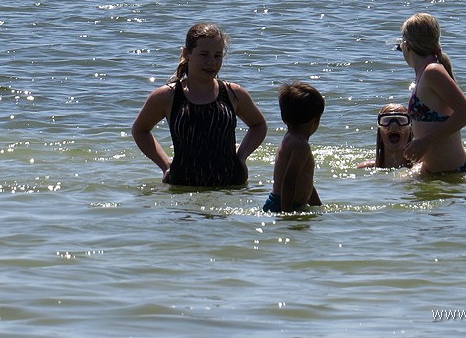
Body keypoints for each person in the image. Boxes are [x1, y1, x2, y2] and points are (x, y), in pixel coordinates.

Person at [131, 23, 267, 187]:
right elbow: (140, 130)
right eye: (204, 54)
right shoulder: (168, 96)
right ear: (186, 53)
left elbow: (259, 125)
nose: (211, 62)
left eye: (217, 56)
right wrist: (165, 165)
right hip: (184, 188)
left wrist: (242, 156)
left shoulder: (233, 93)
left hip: (231, 187)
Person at [396, 13, 466, 173]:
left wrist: (425, 141)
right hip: (433, 172)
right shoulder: (425, 73)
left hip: (455, 173)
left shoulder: (433, 71)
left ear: (407, 46)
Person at [263, 81, 324, 213]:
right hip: (285, 204)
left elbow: (305, 181)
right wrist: (287, 215)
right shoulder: (301, 145)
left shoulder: (289, 138)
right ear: (316, 119)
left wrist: (318, 206)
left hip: (279, 202)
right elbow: (289, 181)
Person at [358, 104, 413, 169]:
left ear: (411, 129)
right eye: (386, 121)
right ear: (379, 131)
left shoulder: (421, 168)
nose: (394, 126)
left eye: (402, 120)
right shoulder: (366, 168)